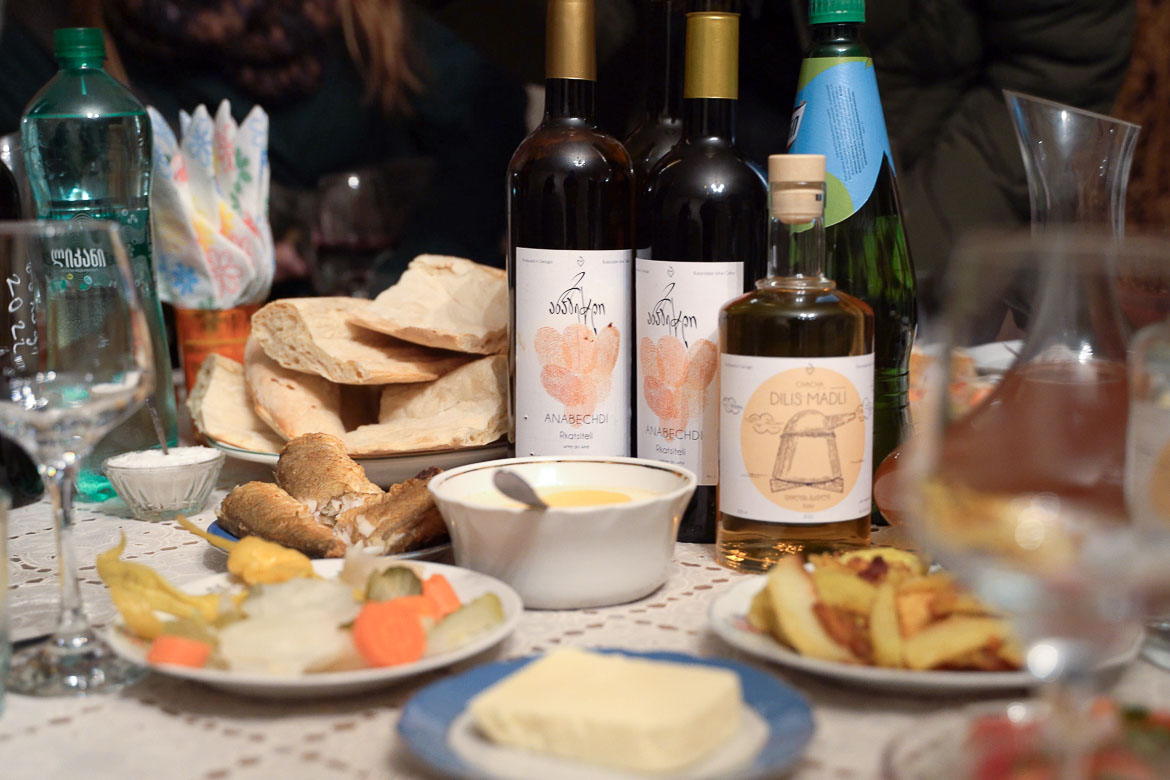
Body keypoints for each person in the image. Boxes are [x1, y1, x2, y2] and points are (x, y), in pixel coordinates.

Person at [0, 0, 528, 294]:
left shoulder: (391, 23)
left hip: (395, 329)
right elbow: (48, 245)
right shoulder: (51, 33)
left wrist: (397, 286)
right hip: (185, 366)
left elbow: (481, 154)